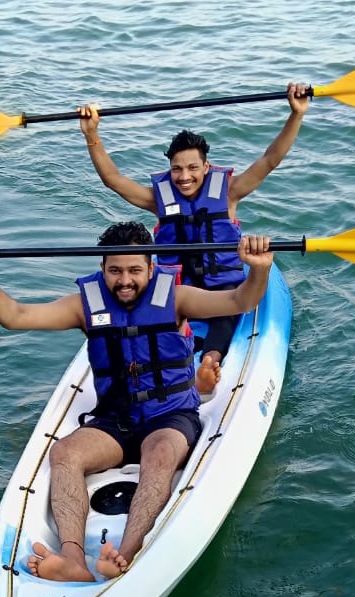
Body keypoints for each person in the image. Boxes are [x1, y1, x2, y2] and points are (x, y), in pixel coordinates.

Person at [0, 222, 274, 582]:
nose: (125, 280)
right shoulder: (85, 306)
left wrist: (259, 269)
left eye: (135, 270)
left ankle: (123, 555)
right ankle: (73, 560)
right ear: (102, 268)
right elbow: (15, 316)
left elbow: (240, 301)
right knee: (64, 454)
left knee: (160, 456)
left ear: (152, 268)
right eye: (115, 271)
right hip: (115, 421)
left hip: (170, 417)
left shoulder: (177, 299)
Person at [77, 84, 309, 396]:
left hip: (220, 288)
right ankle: (149, 370)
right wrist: (92, 135)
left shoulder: (229, 193)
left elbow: (270, 159)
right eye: (176, 169)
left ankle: (209, 362)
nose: (184, 176)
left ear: (206, 167)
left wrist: (296, 114)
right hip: (176, 290)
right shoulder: (158, 201)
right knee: (154, 323)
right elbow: (114, 181)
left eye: (192, 168)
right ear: (169, 170)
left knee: (225, 315)